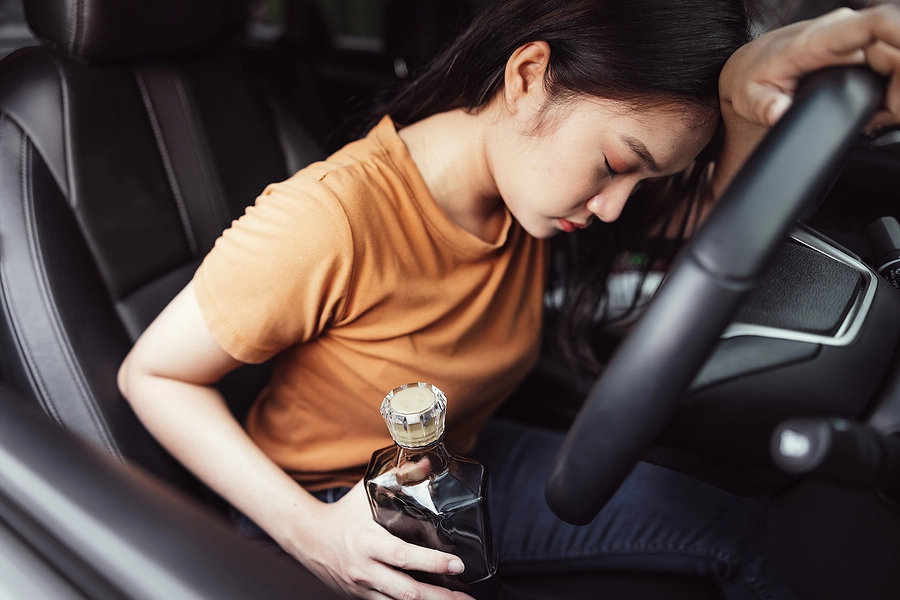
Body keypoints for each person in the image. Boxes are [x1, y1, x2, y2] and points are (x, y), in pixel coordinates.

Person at [117, 1, 900, 599]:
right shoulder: (328, 217)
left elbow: (724, 228)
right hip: (337, 503)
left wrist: (742, 97)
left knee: (745, 534)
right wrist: (313, 533)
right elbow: (151, 375)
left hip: (464, 460)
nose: (616, 208)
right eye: (616, 163)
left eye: (644, 181)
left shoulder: (529, 189)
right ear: (528, 77)